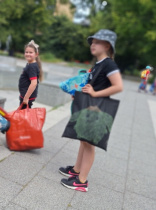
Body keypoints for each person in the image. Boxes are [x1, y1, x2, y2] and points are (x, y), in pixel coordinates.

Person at [59, 29, 123, 192]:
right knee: (84, 140)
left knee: (89, 145)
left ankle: (82, 181)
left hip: (97, 109)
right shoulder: (99, 64)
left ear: (107, 45)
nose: (92, 45)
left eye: (97, 42)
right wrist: (81, 93)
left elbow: (118, 86)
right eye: (92, 42)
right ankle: (76, 170)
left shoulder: (109, 64)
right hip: (90, 106)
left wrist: (94, 93)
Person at [18, 40, 43, 109]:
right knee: (23, 114)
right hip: (26, 95)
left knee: (23, 116)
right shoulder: (30, 64)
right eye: (26, 52)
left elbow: (34, 83)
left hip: (27, 97)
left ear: (36, 54)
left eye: (31, 52)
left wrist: (26, 98)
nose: (28, 54)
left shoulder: (32, 66)